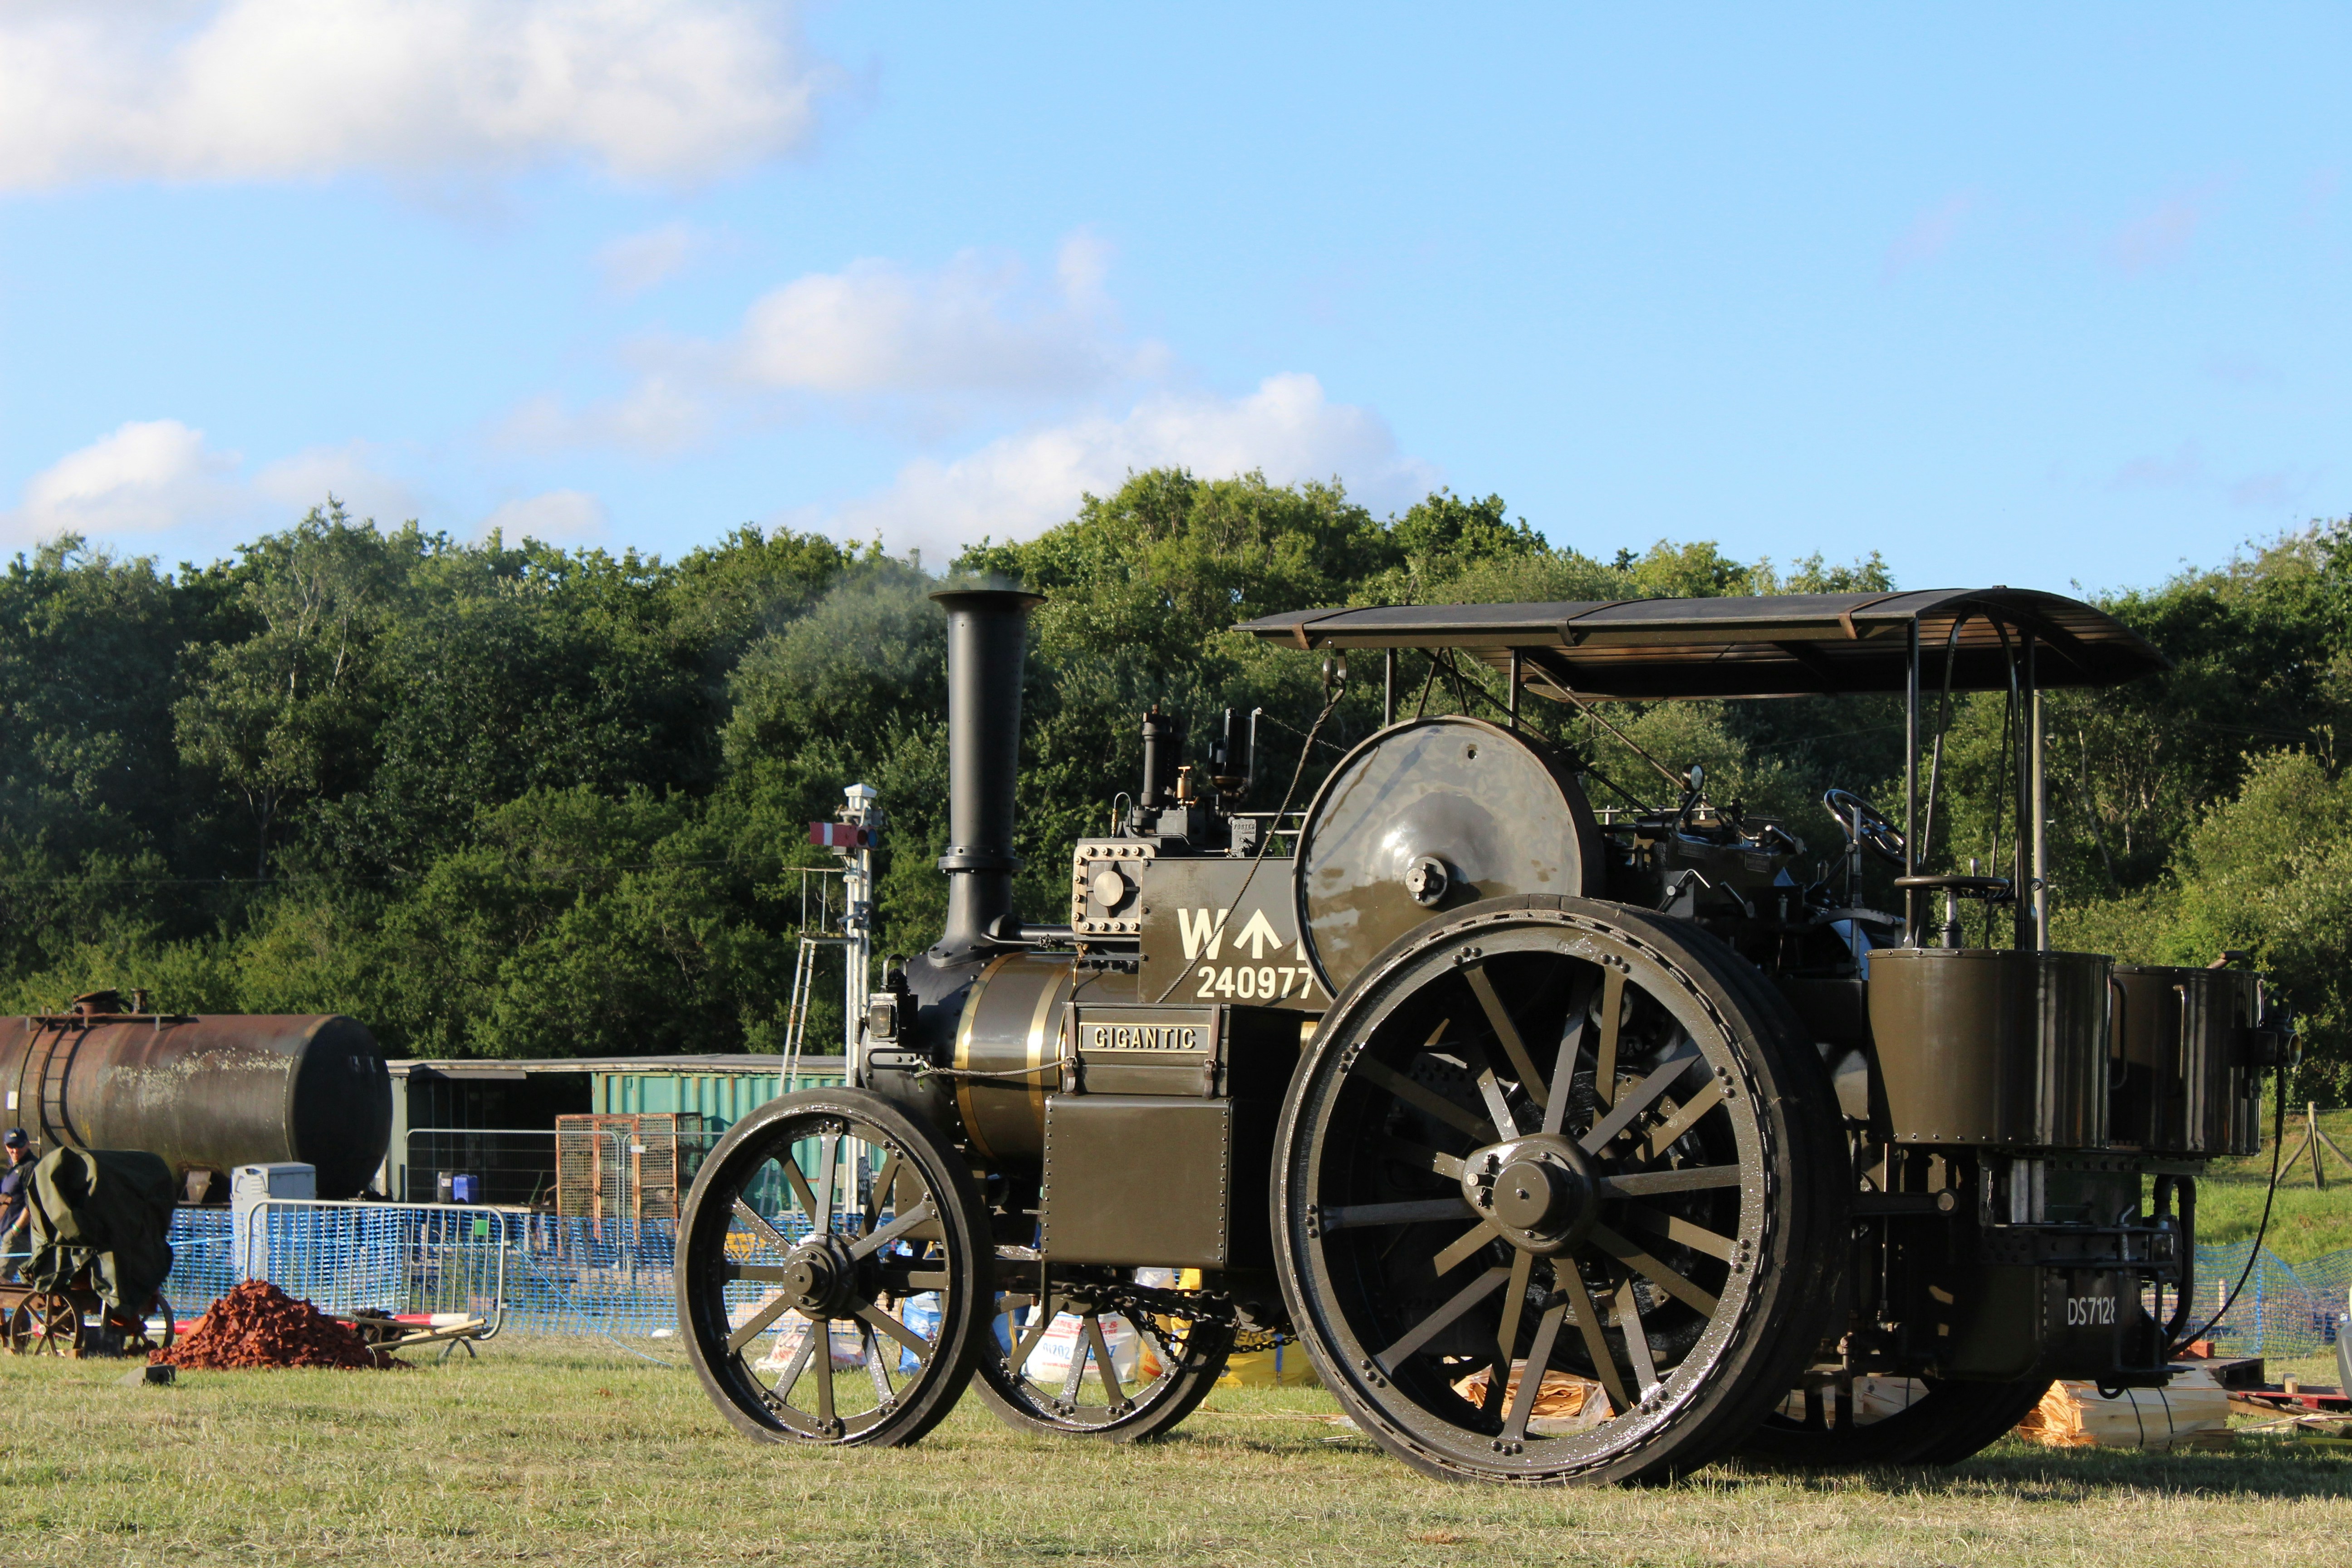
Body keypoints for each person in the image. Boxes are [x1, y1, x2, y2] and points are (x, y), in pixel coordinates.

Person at [0, 1130, 33, 1281]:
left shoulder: (30, 1167)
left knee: (2, 1280)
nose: (15, 1150)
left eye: (19, 1145)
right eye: (11, 1146)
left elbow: (32, 1204)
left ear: (28, 1143)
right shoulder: (14, 1168)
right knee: (28, 1281)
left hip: (20, 1236)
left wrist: (16, 1230)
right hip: (10, 1234)